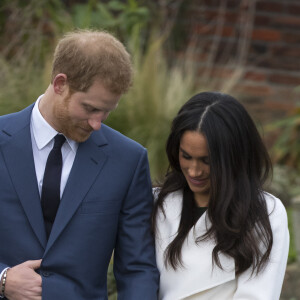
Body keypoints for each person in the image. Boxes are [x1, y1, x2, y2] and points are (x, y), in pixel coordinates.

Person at [0, 29, 159, 300]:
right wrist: (2, 278)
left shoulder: (128, 160)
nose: (97, 123)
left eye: (107, 111)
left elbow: (137, 269)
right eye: (90, 108)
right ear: (60, 83)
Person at [153, 92, 289, 300]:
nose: (194, 171)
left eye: (207, 161)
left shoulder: (265, 213)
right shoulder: (158, 202)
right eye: (186, 156)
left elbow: (257, 295)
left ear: (234, 157)